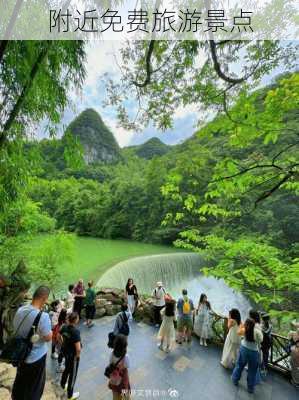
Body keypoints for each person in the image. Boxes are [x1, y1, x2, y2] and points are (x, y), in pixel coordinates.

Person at [11, 286, 52, 400]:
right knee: (34, 387)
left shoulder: (20, 310)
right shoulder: (43, 316)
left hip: (21, 354)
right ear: (44, 299)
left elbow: (16, 327)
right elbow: (48, 338)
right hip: (36, 357)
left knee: (21, 381)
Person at [232, 318, 263, 394]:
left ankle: (235, 379)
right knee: (252, 370)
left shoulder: (244, 329)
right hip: (253, 352)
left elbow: (238, 333)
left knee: (239, 365)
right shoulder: (257, 332)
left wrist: (241, 326)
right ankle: (250, 388)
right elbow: (261, 340)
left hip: (243, 349)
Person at [59, 312, 81, 400]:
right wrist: (77, 357)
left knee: (67, 369)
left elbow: (58, 336)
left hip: (66, 353)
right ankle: (70, 395)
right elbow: (78, 348)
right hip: (73, 356)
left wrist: (62, 344)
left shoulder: (64, 327)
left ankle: (63, 384)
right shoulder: (75, 332)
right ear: (75, 320)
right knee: (73, 375)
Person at [108, 334, 131, 399]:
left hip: (114, 380)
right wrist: (126, 387)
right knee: (125, 397)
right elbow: (125, 373)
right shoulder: (126, 357)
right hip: (122, 381)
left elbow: (110, 364)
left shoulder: (112, 354)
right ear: (124, 346)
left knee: (115, 397)